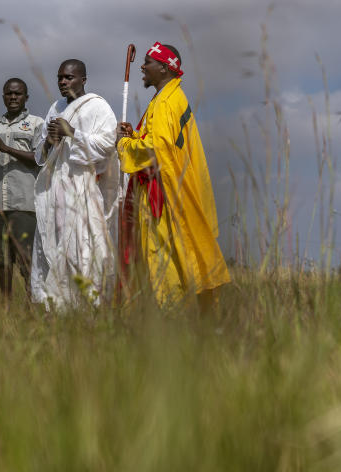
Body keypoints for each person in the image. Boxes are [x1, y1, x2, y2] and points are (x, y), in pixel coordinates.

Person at [116, 42, 231, 308]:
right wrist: (134, 134)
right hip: (170, 190)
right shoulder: (168, 97)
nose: (142, 67)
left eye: (148, 62)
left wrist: (124, 146)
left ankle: (172, 320)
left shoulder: (167, 102)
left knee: (165, 259)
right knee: (184, 253)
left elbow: (158, 149)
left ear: (165, 68)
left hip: (163, 196)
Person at [31, 59, 120, 308]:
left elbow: (106, 145)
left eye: (69, 77)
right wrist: (49, 141)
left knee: (84, 246)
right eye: (60, 77)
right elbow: (42, 150)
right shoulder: (56, 107)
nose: (63, 82)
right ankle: (57, 304)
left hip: (82, 186)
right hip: (55, 187)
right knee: (53, 243)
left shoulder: (98, 107)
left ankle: (90, 303)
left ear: (83, 79)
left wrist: (72, 132)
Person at [0, 78, 44, 300]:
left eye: (18, 94)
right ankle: (6, 308)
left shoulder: (37, 124)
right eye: (9, 94)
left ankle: (31, 306)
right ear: (3, 97)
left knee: (26, 258)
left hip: (23, 203)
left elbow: (39, 159)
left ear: (26, 97)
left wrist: (5, 147)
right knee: (2, 259)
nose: (13, 97)